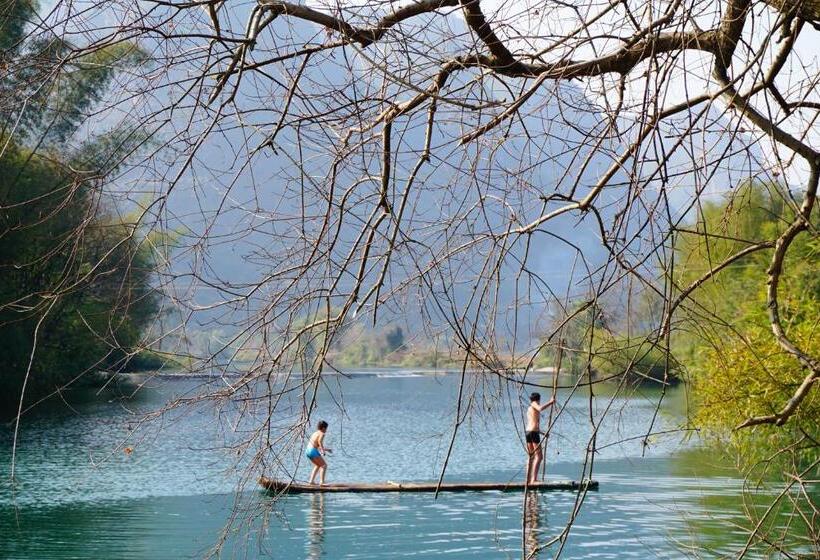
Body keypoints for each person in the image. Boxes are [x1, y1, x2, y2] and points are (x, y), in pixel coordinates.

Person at [525, 392, 555, 484]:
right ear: (538, 399)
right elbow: (540, 408)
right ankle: (533, 479)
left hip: (529, 432)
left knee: (531, 456)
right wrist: (551, 402)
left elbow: (533, 424)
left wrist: (543, 433)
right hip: (533, 433)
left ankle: (528, 480)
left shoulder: (530, 408)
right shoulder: (534, 404)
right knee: (539, 457)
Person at [306, 420, 332, 485]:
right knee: (324, 465)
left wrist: (326, 449)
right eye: (326, 428)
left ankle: (311, 481)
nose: (326, 430)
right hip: (313, 451)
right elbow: (320, 442)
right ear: (323, 428)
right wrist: (323, 451)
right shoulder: (322, 434)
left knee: (318, 465)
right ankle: (322, 482)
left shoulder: (315, 433)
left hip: (308, 450)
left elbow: (315, 445)